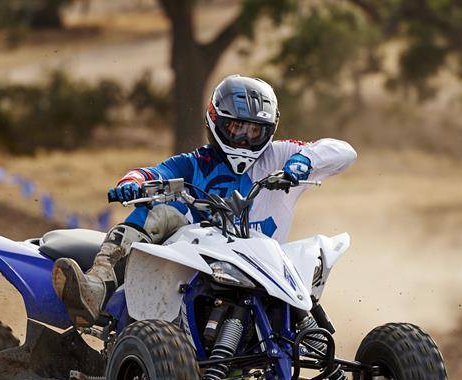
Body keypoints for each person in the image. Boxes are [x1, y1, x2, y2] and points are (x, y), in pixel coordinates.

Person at [52, 75, 357, 327]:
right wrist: (132, 184)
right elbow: (151, 173)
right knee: (157, 212)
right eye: (238, 127)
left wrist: (304, 160)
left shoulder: (278, 156)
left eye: (256, 130)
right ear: (217, 122)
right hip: (204, 279)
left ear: (270, 131)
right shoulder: (195, 163)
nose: (246, 139)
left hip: (268, 278)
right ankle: (98, 286)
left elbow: (343, 151)